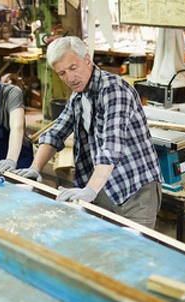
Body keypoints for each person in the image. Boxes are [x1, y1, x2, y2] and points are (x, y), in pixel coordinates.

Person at [14, 36, 163, 229]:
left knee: (135, 252)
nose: (69, 78)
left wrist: (90, 191)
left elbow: (111, 147)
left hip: (134, 189)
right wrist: (35, 169)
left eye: (73, 68)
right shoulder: (79, 95)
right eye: (62, 73)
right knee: (108, 247)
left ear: (87, 59)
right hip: (103, 186)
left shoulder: (114, 90)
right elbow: (56, 132)